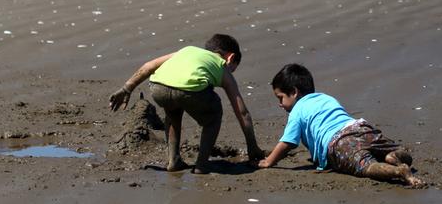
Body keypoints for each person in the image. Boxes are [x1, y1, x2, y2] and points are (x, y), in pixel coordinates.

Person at [109, 34, 263, 173]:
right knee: (214, 116)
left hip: (158, 87)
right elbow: (241, 112)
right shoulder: (221, 66)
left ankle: (173, 160)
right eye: (233, 69)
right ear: (230, 58)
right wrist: (252, 146)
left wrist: (126, 88)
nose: (231, 72)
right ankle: (202, 164)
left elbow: (148, 66)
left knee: (173, 111)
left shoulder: (186, 51)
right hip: (191, 90)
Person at [257, 63, 424, 187]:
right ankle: (392, 155)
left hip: (339, 142)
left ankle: (398, 171)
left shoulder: (297, 111)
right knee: (390, 149)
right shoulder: (326, 98)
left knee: (366, 166)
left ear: (294, 92)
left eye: (280, 98)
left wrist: (268, 161)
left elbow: (288, 142)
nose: (280, 104)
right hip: (361, 127)